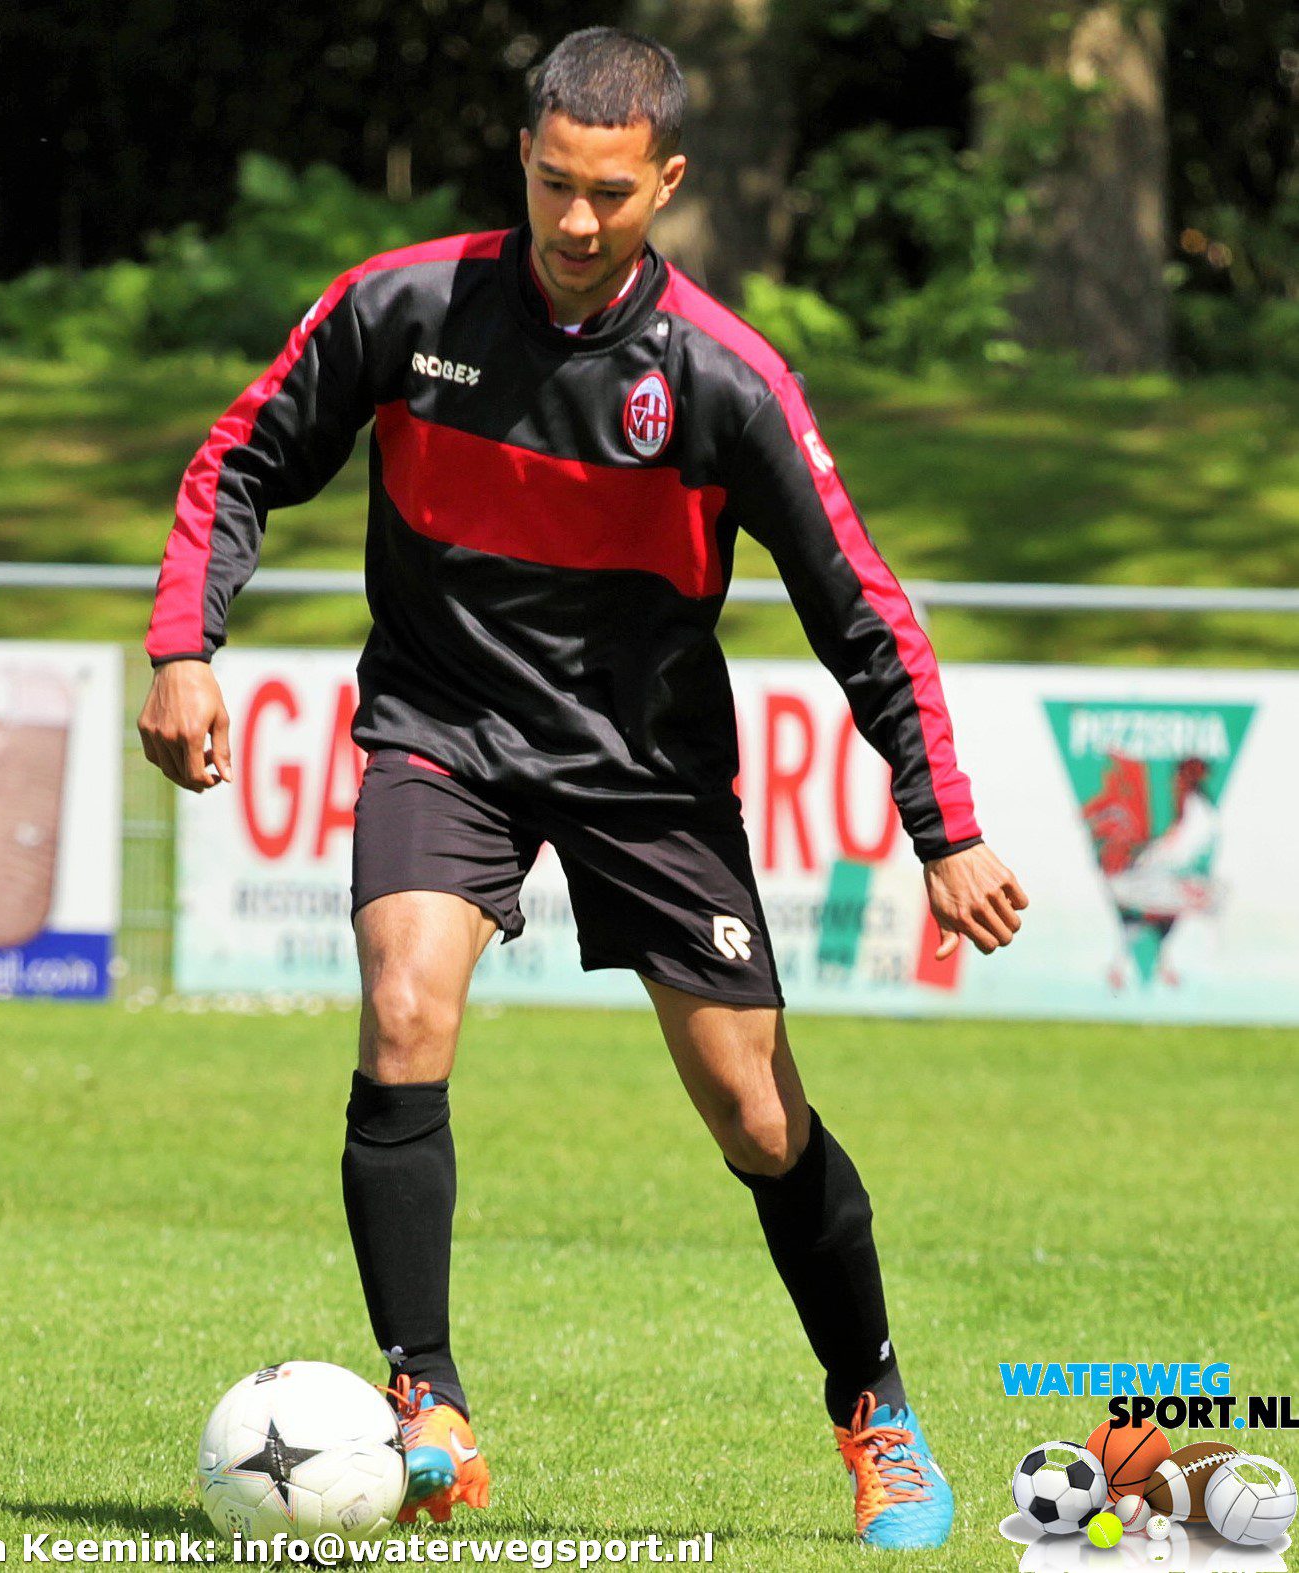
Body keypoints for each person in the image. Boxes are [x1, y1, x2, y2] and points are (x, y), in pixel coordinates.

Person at [138, 25, 1028, 1550]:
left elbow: (862, 609)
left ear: (663, 182)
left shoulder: (723, 377)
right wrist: (182, 645)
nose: (572, 218)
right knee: (403, 1008)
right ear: (524, 159)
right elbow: (242, 455)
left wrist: (944, 828)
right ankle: (426, 1401)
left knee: (756, 1115)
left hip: (647, 770)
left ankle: (874, 1406)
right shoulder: (403, 306)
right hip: (445, 726)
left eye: (607, 192)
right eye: (552, 181)